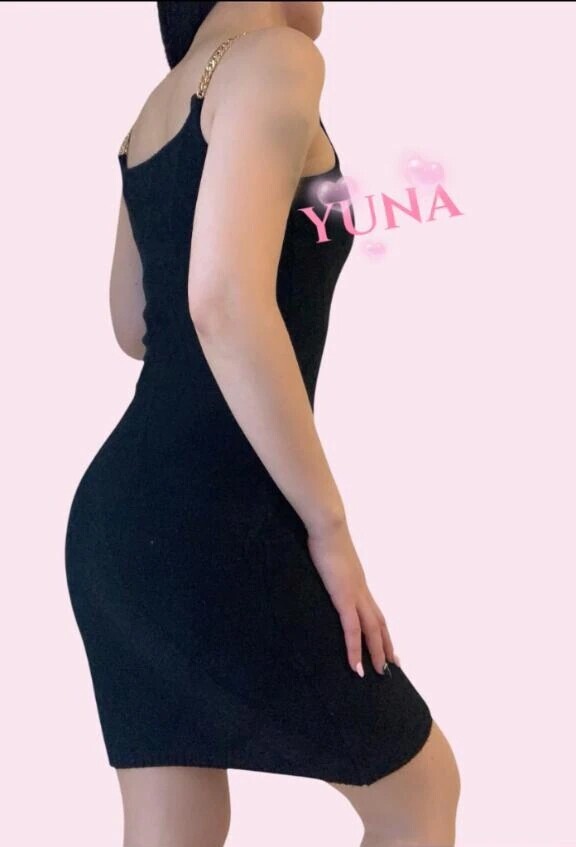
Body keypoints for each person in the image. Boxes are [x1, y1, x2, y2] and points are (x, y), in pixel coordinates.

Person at [64, 2, 461, 845]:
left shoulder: (156, 108)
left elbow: (134, 323)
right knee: (416, 794)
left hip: (117, 528)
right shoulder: (277, 58)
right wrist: (330, 529)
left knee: (176, 824)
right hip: (211, 520)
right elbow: (221, 299)